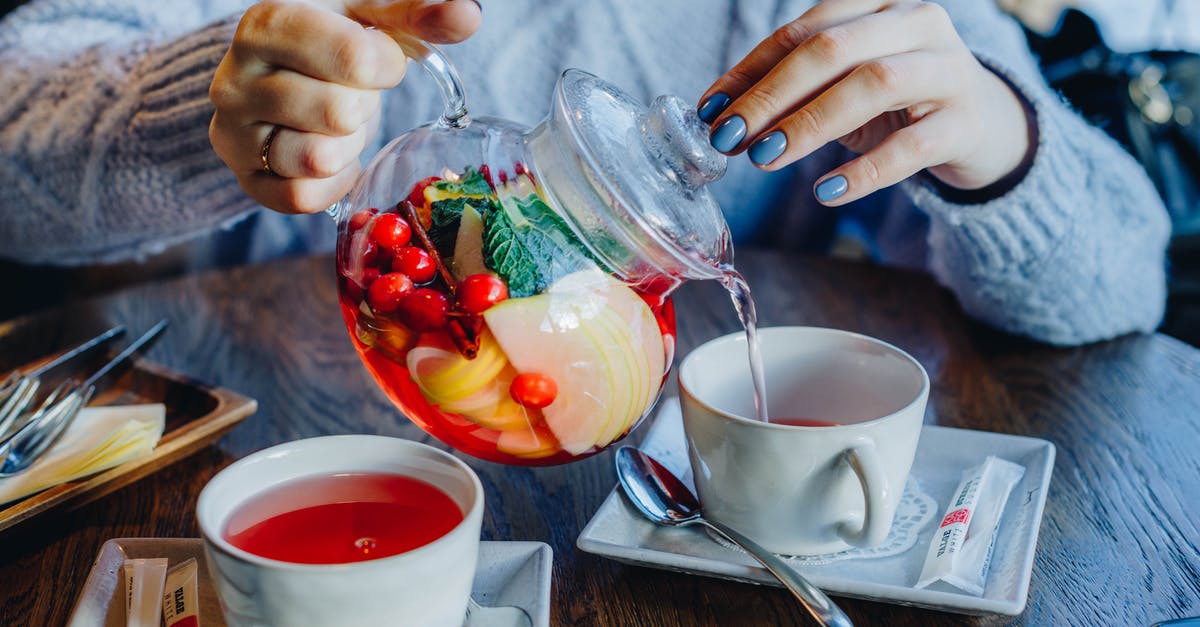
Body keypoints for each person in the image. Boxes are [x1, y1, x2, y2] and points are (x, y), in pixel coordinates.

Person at [0, 1, 1171, 346]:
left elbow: (1123, 282)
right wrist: (197, 103)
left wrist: (998, 152)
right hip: (247, 458)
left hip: (649, 515)